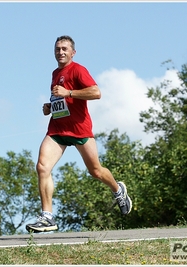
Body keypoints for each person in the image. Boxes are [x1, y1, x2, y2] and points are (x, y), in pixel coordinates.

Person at [26, 35, 132, 233]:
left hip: (79, 129)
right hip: (57, 129)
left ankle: (118, 190)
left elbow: (96, 92)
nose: (61, 52)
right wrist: (51, 106)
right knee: (42, 167)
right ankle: (47, 217)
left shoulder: (78, 70)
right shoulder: (55, 73)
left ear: (73, 52)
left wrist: (69, 93)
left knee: (96, 171)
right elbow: (61, 100)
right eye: (58, 49)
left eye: (65, 49)